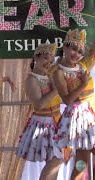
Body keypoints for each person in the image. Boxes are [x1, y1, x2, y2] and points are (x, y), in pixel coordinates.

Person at [16, 43, 63, 180]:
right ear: (36, 57)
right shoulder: (31, 80)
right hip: (44, 123)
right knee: (56, 159)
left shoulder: (50, 76)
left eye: (50, 60)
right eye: (45, 58)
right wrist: (55, 90)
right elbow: (39, 105)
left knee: (55, 160)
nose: (48, 63)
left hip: (56, 121)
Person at [52, 29, 95, 180]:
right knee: (82, 159)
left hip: (90, 116)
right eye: (73, 48)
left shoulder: (83, 65)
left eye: (79, 51)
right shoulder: (58, 72)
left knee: (81, 161)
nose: (76, 54)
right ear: (65, 47)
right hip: (78, 118)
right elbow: (67, 100)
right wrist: (83, 85)